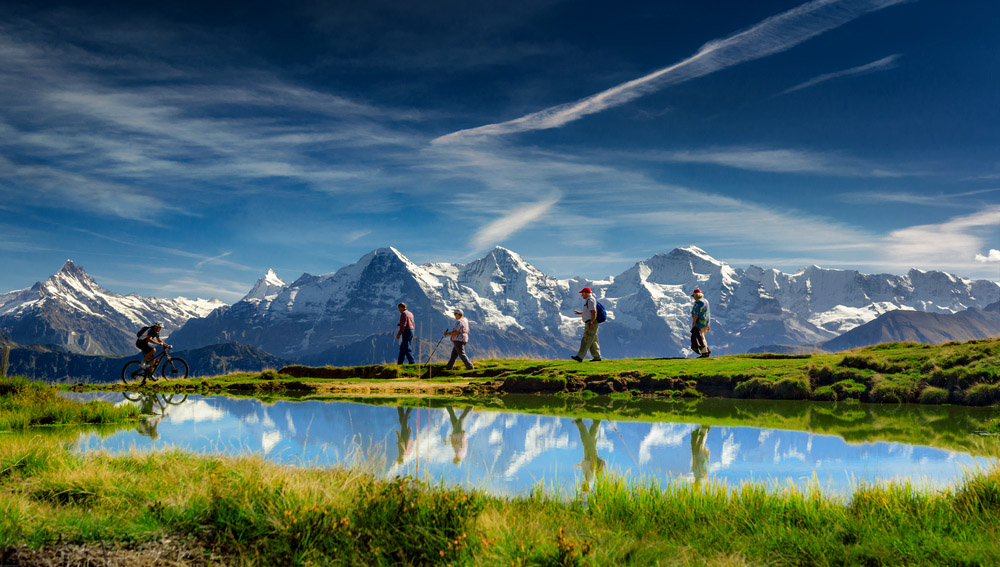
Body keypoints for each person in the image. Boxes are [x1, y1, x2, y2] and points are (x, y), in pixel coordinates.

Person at [571, 287, 602, 362]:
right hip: (590, 322)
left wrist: (591, 322)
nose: (582, 295)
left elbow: (594, 312)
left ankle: (580, 356)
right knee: (593, 341)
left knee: (586, 340)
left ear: (586, 293)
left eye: (582, 293)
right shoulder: (590, 300)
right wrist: (580, 313)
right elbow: (589, 311)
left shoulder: (590, 300)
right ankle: (597, 357)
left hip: (590, 323)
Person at [690, 288, 711, 358]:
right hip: (706, 322)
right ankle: (706, 350)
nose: (693, 298)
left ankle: (705, 352)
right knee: (702, 336)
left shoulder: (698, 302)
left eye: (694, 296)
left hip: (700, 322)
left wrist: (694, 323)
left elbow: (696, 313)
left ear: (696, 295)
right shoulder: (706, 301)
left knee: (700, 337)